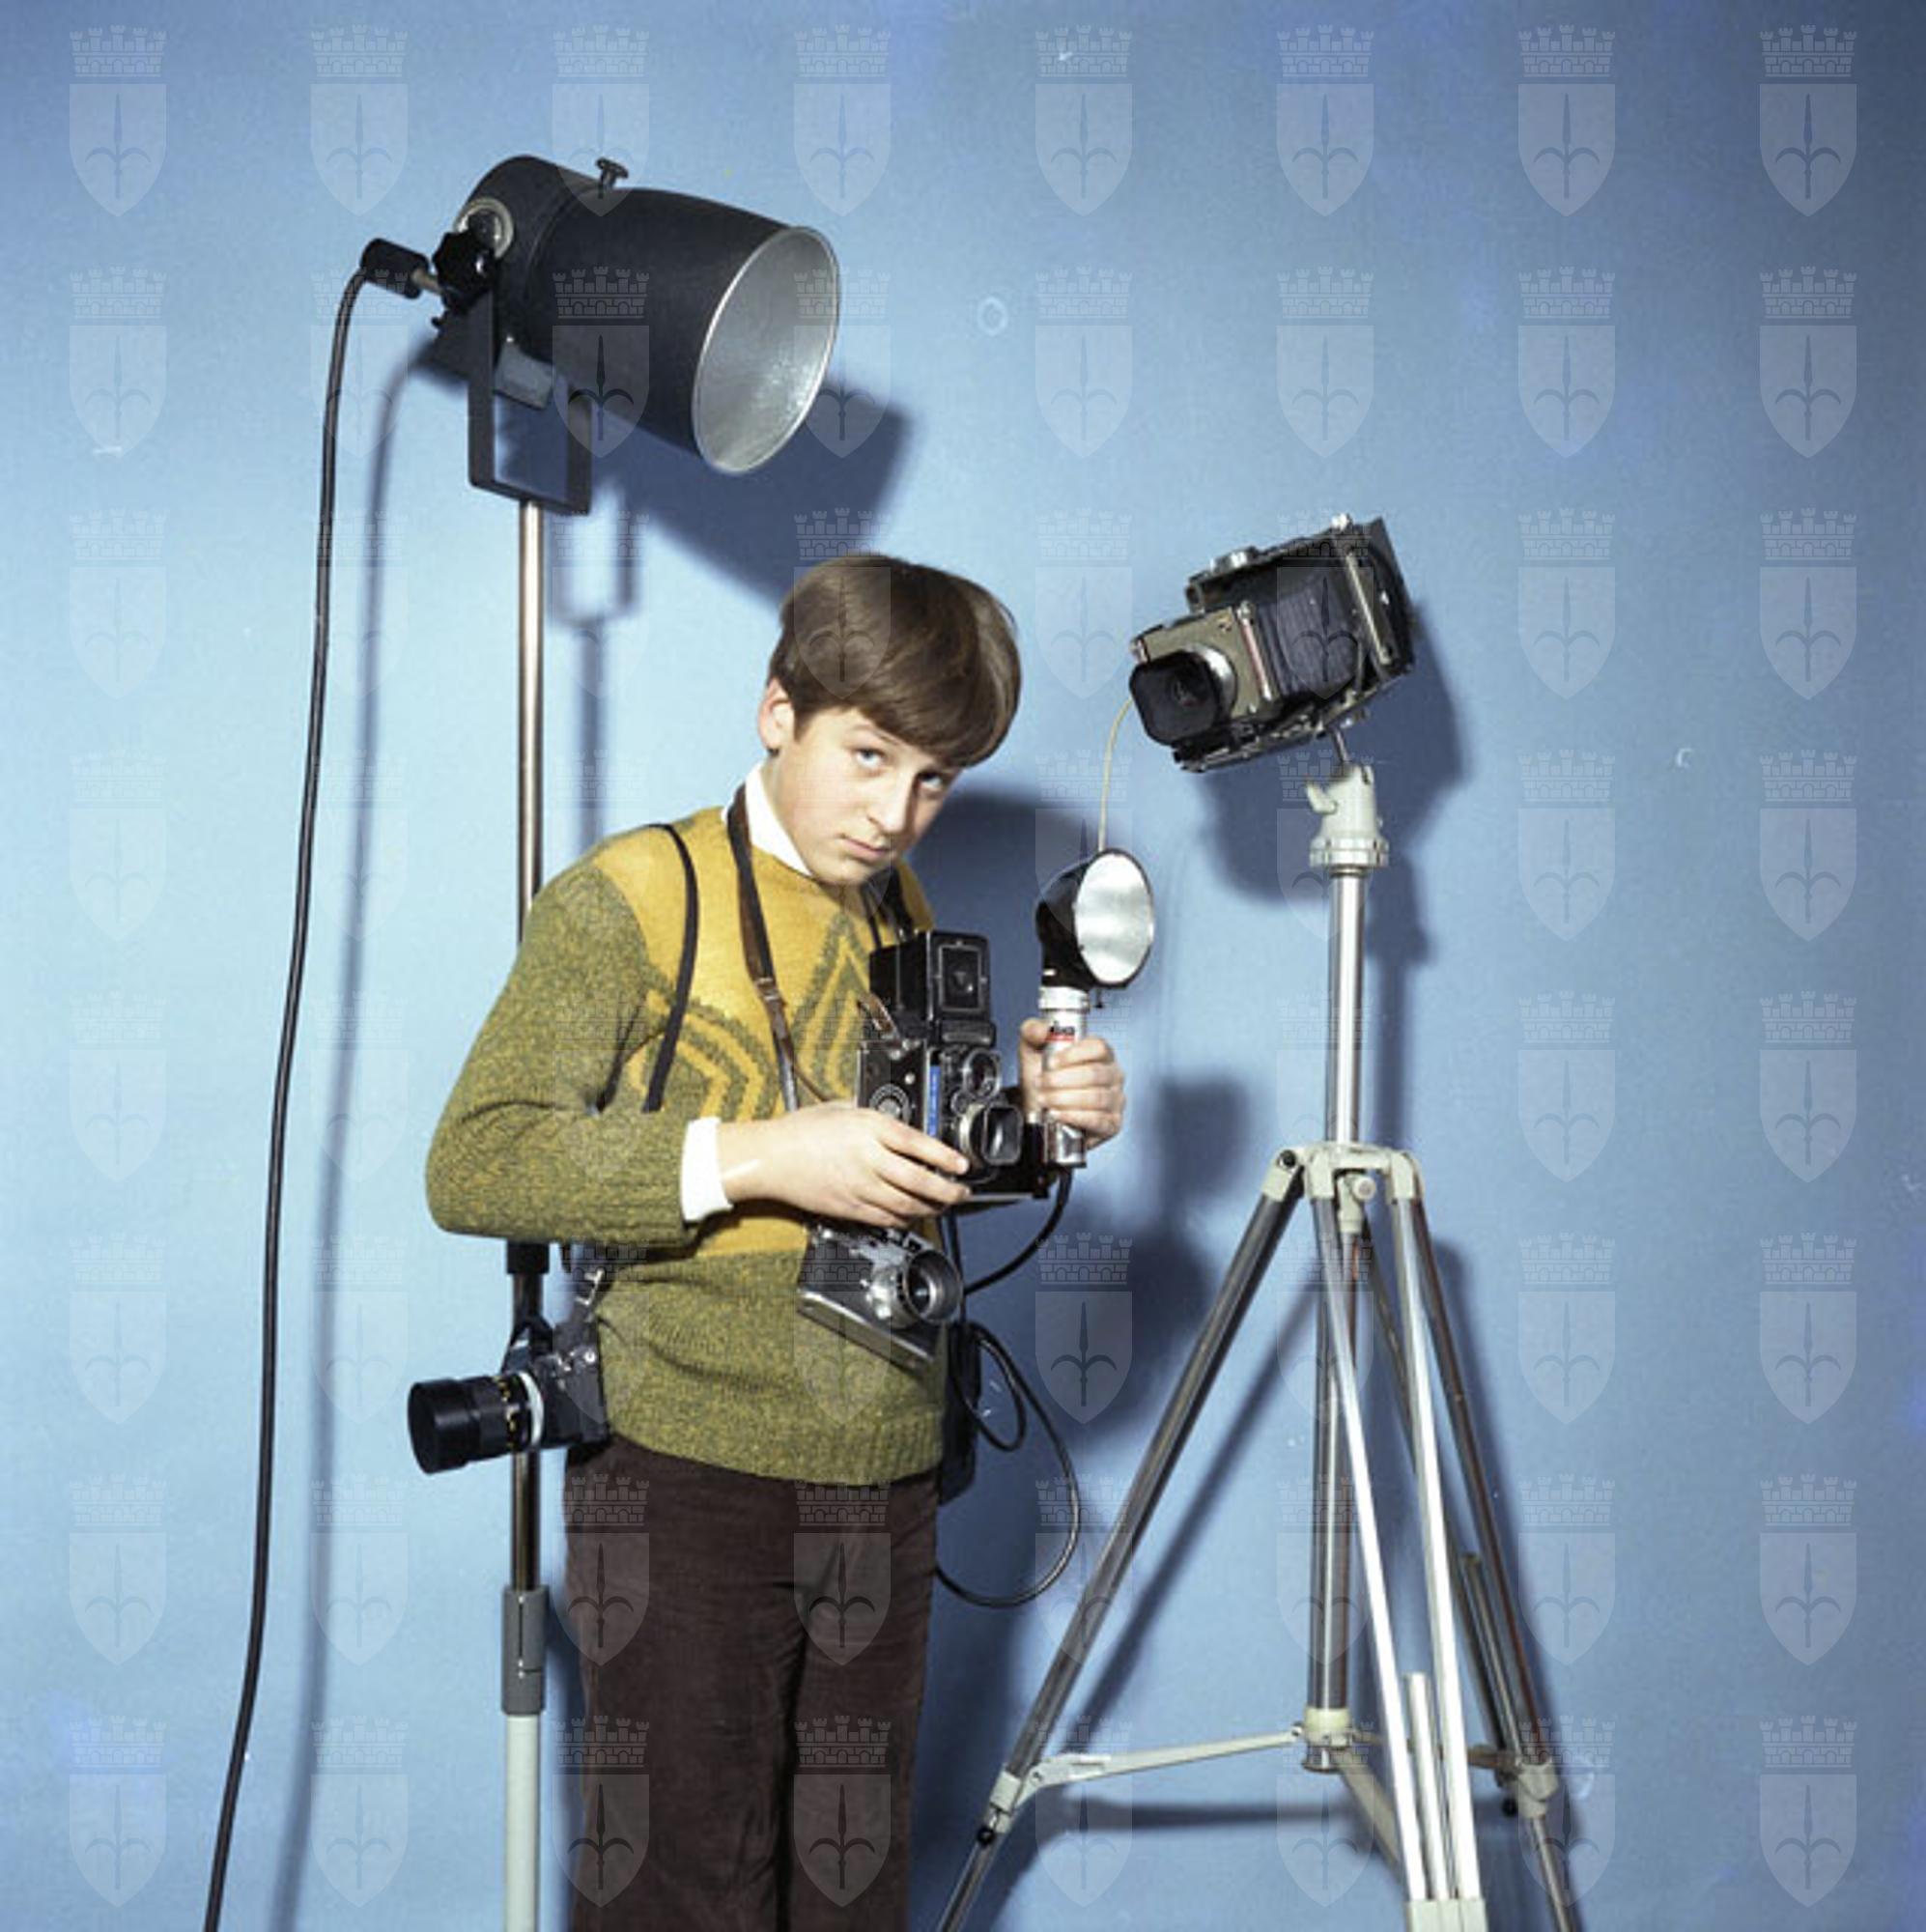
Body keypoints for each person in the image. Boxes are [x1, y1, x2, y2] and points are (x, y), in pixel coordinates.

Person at [423, 553, 1126, 1929]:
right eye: (867, 756)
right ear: (776, 713)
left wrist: (1034, 1124)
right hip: (686, 1476)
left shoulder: (901, 911)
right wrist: (755, 1157)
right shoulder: (634, 894)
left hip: (884, 1471)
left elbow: (891, 1178)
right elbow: (478, 1161)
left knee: (851, 1893)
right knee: (684, 1890)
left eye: (933, 780)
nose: (894, 813)